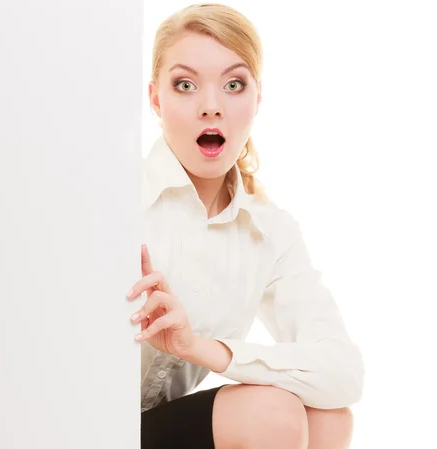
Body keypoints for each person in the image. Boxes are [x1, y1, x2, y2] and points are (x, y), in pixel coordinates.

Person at [126, 4, 365, 449]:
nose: (211, 107)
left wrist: (200, 346)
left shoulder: (269, 230)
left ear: (257, 99)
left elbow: (343, 372)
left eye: (233, 85)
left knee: (330, 414)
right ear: (156, 99)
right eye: (185, 85)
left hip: (150, 430)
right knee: (270, 413)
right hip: (68, 426)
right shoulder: (119, 197)